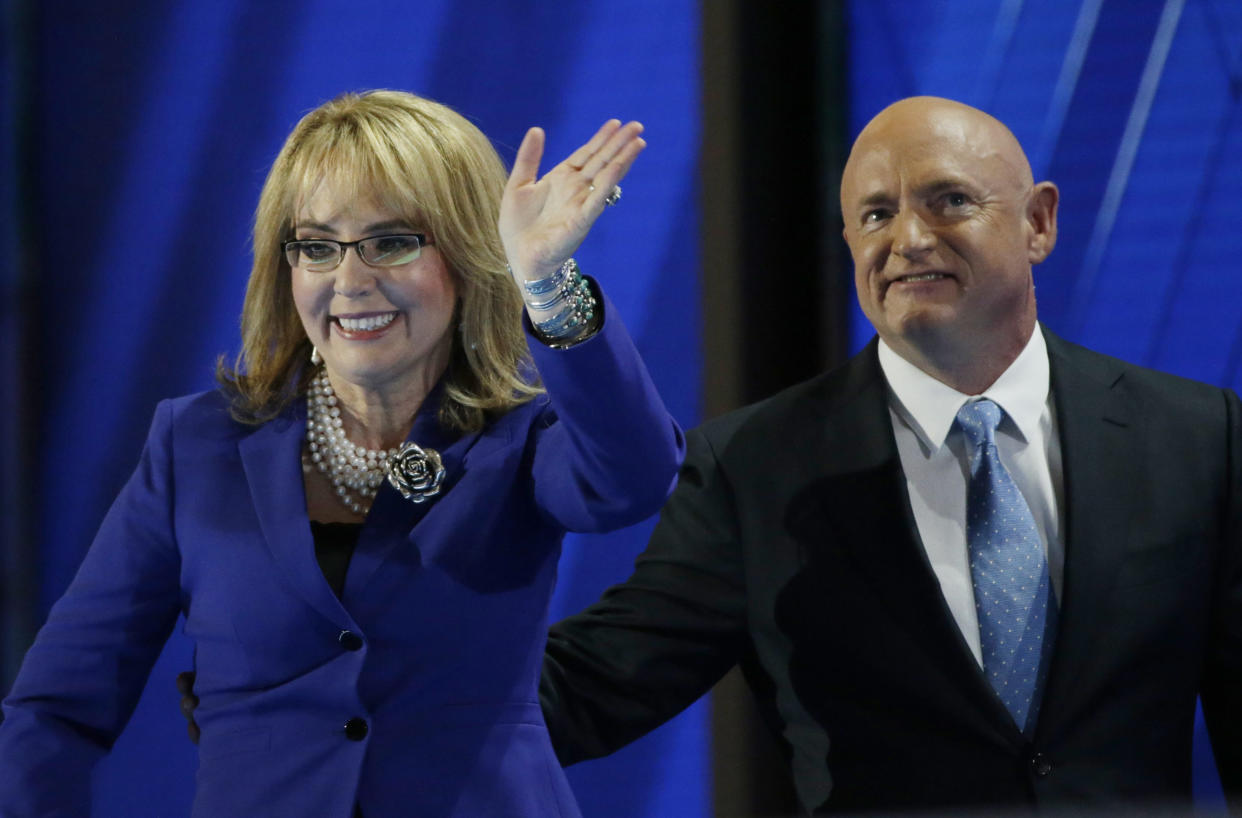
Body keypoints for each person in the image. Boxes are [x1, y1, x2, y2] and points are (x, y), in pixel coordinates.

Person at [537, 97, 1242, 813]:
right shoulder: (751, 467)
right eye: (876, 215)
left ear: (1039, 222)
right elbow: (588, 688)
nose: (908, 238)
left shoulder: (1197, 436)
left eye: (950, 201)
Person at [0, 90, 683, 818]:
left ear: (465, 257)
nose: (350, 282)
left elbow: (633, 480)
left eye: (391, 242)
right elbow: (58, 707)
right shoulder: (195, 447)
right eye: (317, 247)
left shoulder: (520, 442)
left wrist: (546, 281)